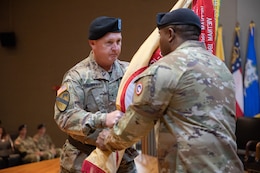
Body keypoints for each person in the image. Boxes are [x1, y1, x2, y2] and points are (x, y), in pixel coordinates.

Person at [96, 8, 244, 173]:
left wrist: (108, 139)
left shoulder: (165, 68)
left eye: (160, 36)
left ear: (170, 34)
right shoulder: (220, 67)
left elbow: (137, 122)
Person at [54, 16, 138, 173]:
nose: (115, 48)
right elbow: (64, 117)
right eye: (109, 43)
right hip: (84, 160)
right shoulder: (77, 76)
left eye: (118, 41)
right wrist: (103, 119)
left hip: (122, 160)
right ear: (92, 43)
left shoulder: (128, 72)